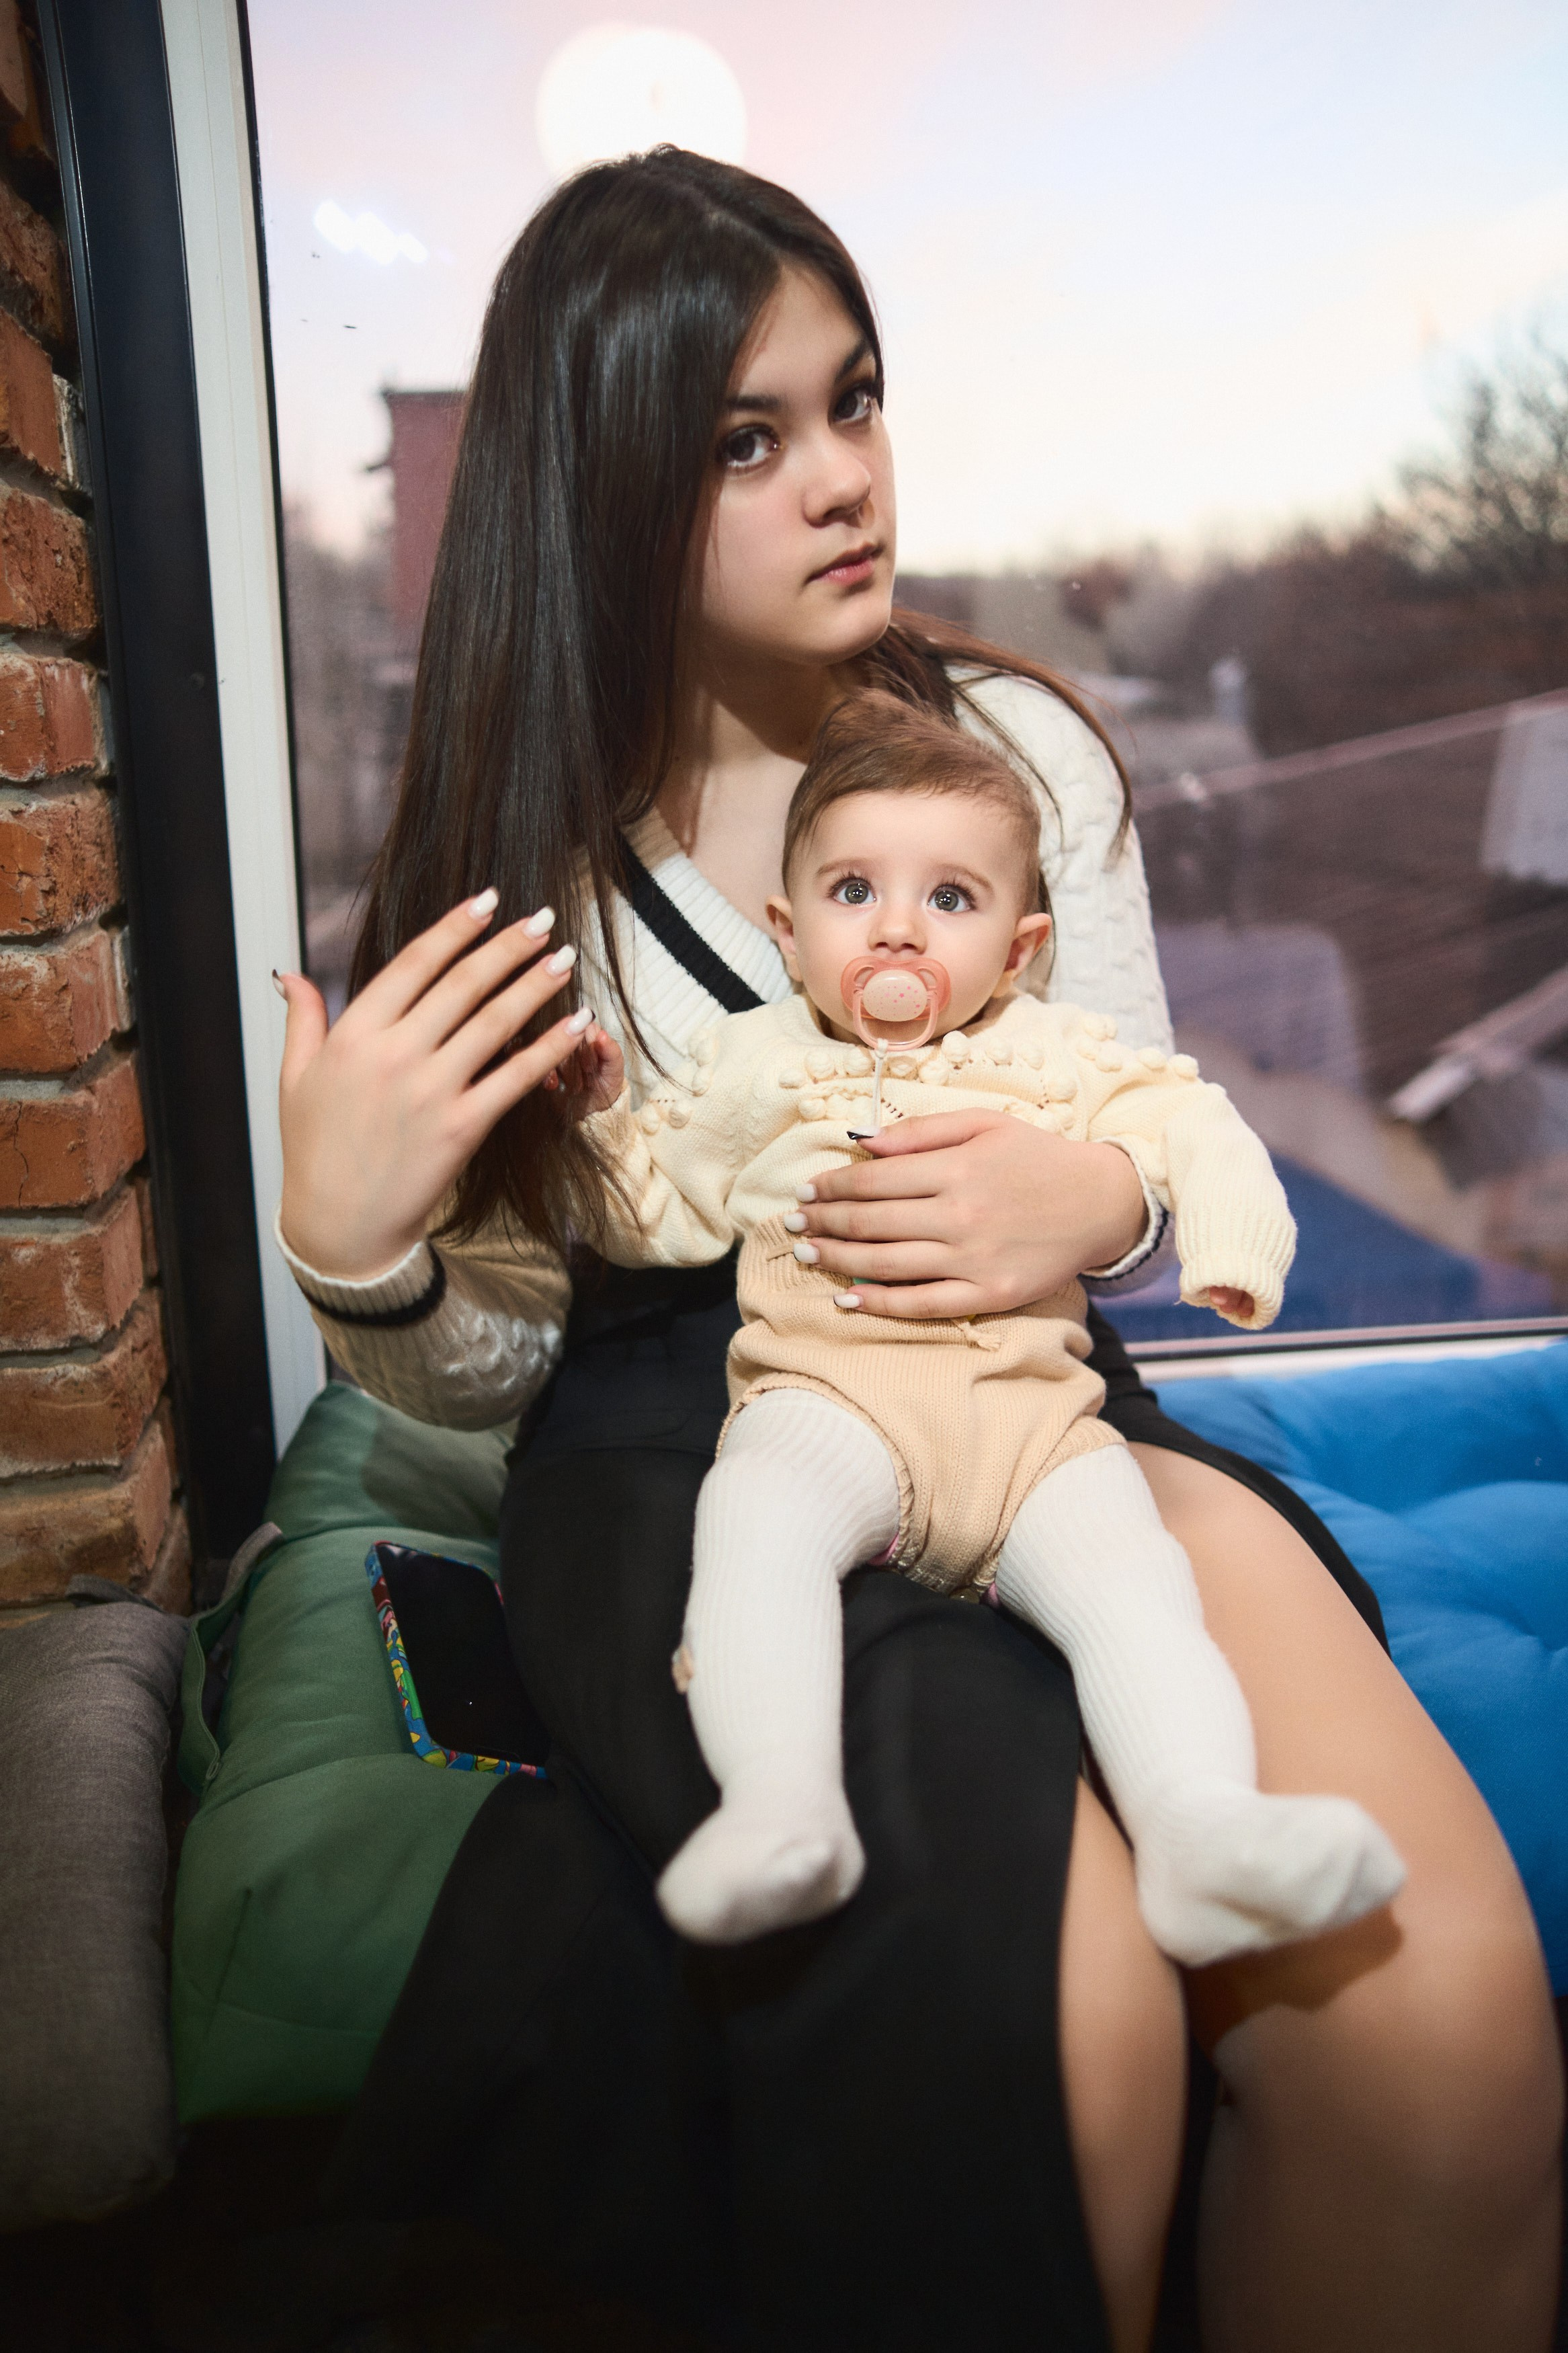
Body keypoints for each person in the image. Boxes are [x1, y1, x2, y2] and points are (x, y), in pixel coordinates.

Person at [273, 149, 1561, 2353]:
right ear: (604, 482)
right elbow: (493, 1368)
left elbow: (1131, 1116)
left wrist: (1108, 1208)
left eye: (851, 399)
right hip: (691, 1444)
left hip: (1031, 1384)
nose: (840, 475)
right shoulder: (515, 873)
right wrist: (358, 1254)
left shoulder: (1017, 748)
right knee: (1063, 2038)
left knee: (1436, 2049)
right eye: (745, 439)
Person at [569, 692, 1404, 1962]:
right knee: (751, 1530)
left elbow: (1193, 1122)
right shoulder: (749, 1067)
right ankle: (780, 1808)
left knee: (1137, 1596)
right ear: (789, 933)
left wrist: (1231, 1253)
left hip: (1035, 1434)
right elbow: (653, 1212)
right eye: (854, 890)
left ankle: (1201, 1832)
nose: (897, 927)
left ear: (1017, 952)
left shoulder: (1057, 1054)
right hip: (827, 1409)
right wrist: (591, 1125)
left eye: (949, 899)